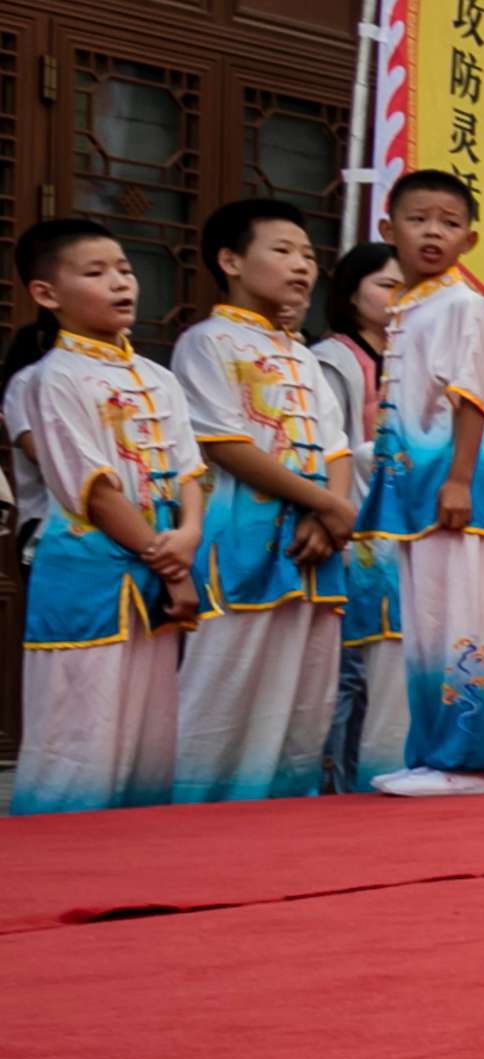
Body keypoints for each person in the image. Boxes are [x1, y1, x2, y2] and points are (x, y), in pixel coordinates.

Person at [5, 218, 206, 815]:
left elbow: (190, 470)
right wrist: (172, 566)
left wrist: (189, 536)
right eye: (95, 273)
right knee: (79, 726)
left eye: (124, 268)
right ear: (46, 294)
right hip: (89, 573)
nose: (121, 282)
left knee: (149, 730)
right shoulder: (48, 380)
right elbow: (91, 489)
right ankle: (60, 857)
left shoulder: (158, 377)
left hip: (158, 566)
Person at [169, 201, 352, 801]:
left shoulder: (304, 355)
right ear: (231, 261)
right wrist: (328, 506)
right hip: (241, 540)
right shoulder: (206, 343)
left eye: (307, 254)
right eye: (282, 250)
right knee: (224, 686)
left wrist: (332, 517)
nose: (302, 265)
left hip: (312, 550)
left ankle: (283, 816)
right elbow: (224, 444)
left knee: (302, 696)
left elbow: (336, 446)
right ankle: (196, 816)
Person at [354, 170, 484, 798]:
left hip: (455, 487)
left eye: (448, 222)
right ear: (389, 229)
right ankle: (429, 754)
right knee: (424, 628)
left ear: (468, 239)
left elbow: (470, 395)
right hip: (415, 489)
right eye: (420, 218)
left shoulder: (463, 303)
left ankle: (466, 761)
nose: (434, 232)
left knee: (461, 624)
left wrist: (459, 480)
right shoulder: (409, 307)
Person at [312, 240, 405, 792]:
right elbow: (332, 447)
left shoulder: (406, 359)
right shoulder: (334, 360)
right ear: (351, 293)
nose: (396, 300)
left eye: (404, 289)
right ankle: (336, 782)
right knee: (347, 670)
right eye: (385, 286)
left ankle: (374, 772)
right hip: (351, 528)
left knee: (383, 668)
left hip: (397, 535)